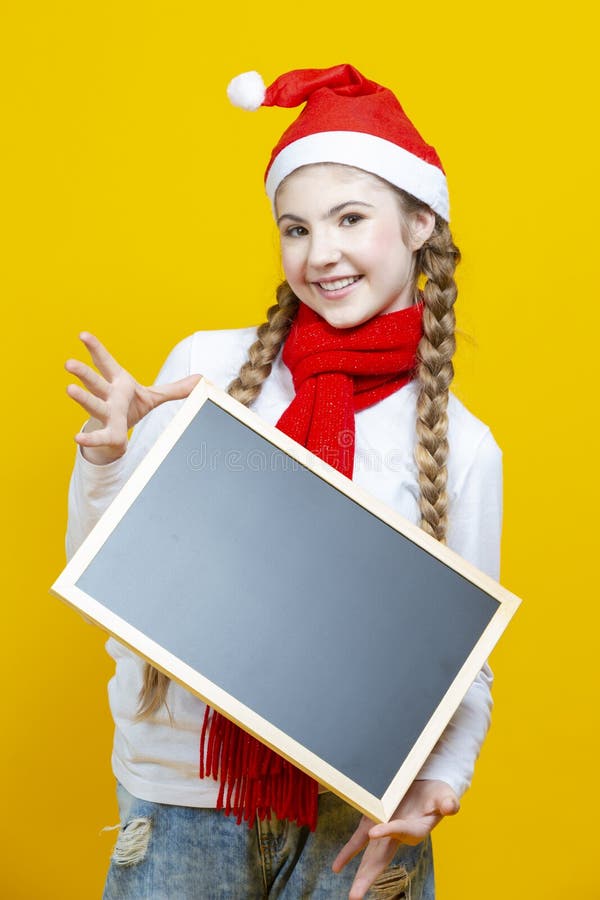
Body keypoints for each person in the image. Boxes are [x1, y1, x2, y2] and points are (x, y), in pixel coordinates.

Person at [64, 64, 502, 900]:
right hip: (182, 801)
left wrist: (442, 779)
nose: (320, 253)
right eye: (294, 228)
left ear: (418, 223)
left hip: (356, 819)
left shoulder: (465, 446)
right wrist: (109, 458)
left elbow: (462, 658)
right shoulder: (207, 369)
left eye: (349, 218)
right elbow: (105, 571)